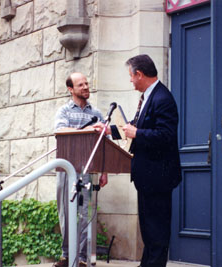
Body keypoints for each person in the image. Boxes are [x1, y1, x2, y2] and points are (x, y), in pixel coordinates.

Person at [94, 54, 182, 267]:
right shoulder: (148, 97)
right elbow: (132, 127)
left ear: (139, 74)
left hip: (158, 178)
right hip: (147, 177)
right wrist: (109, 130)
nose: (130, 81)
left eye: (131, 76)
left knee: (157, 232)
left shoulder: (163, 98)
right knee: (149, 230)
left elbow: (166, 135)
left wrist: (138, 133)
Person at [53, 72, 108, 267]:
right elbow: (60, 131)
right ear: (71, 89)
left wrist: (104, 171)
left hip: (88, 173)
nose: (86, 87)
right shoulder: (64, 111)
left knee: (87, 213)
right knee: (66, 213)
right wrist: (87, 130)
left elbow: (104, 144)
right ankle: (67, 255)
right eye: (80, 85)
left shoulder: (97, 114)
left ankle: (84, 258)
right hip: (66, 171)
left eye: (86, 83)